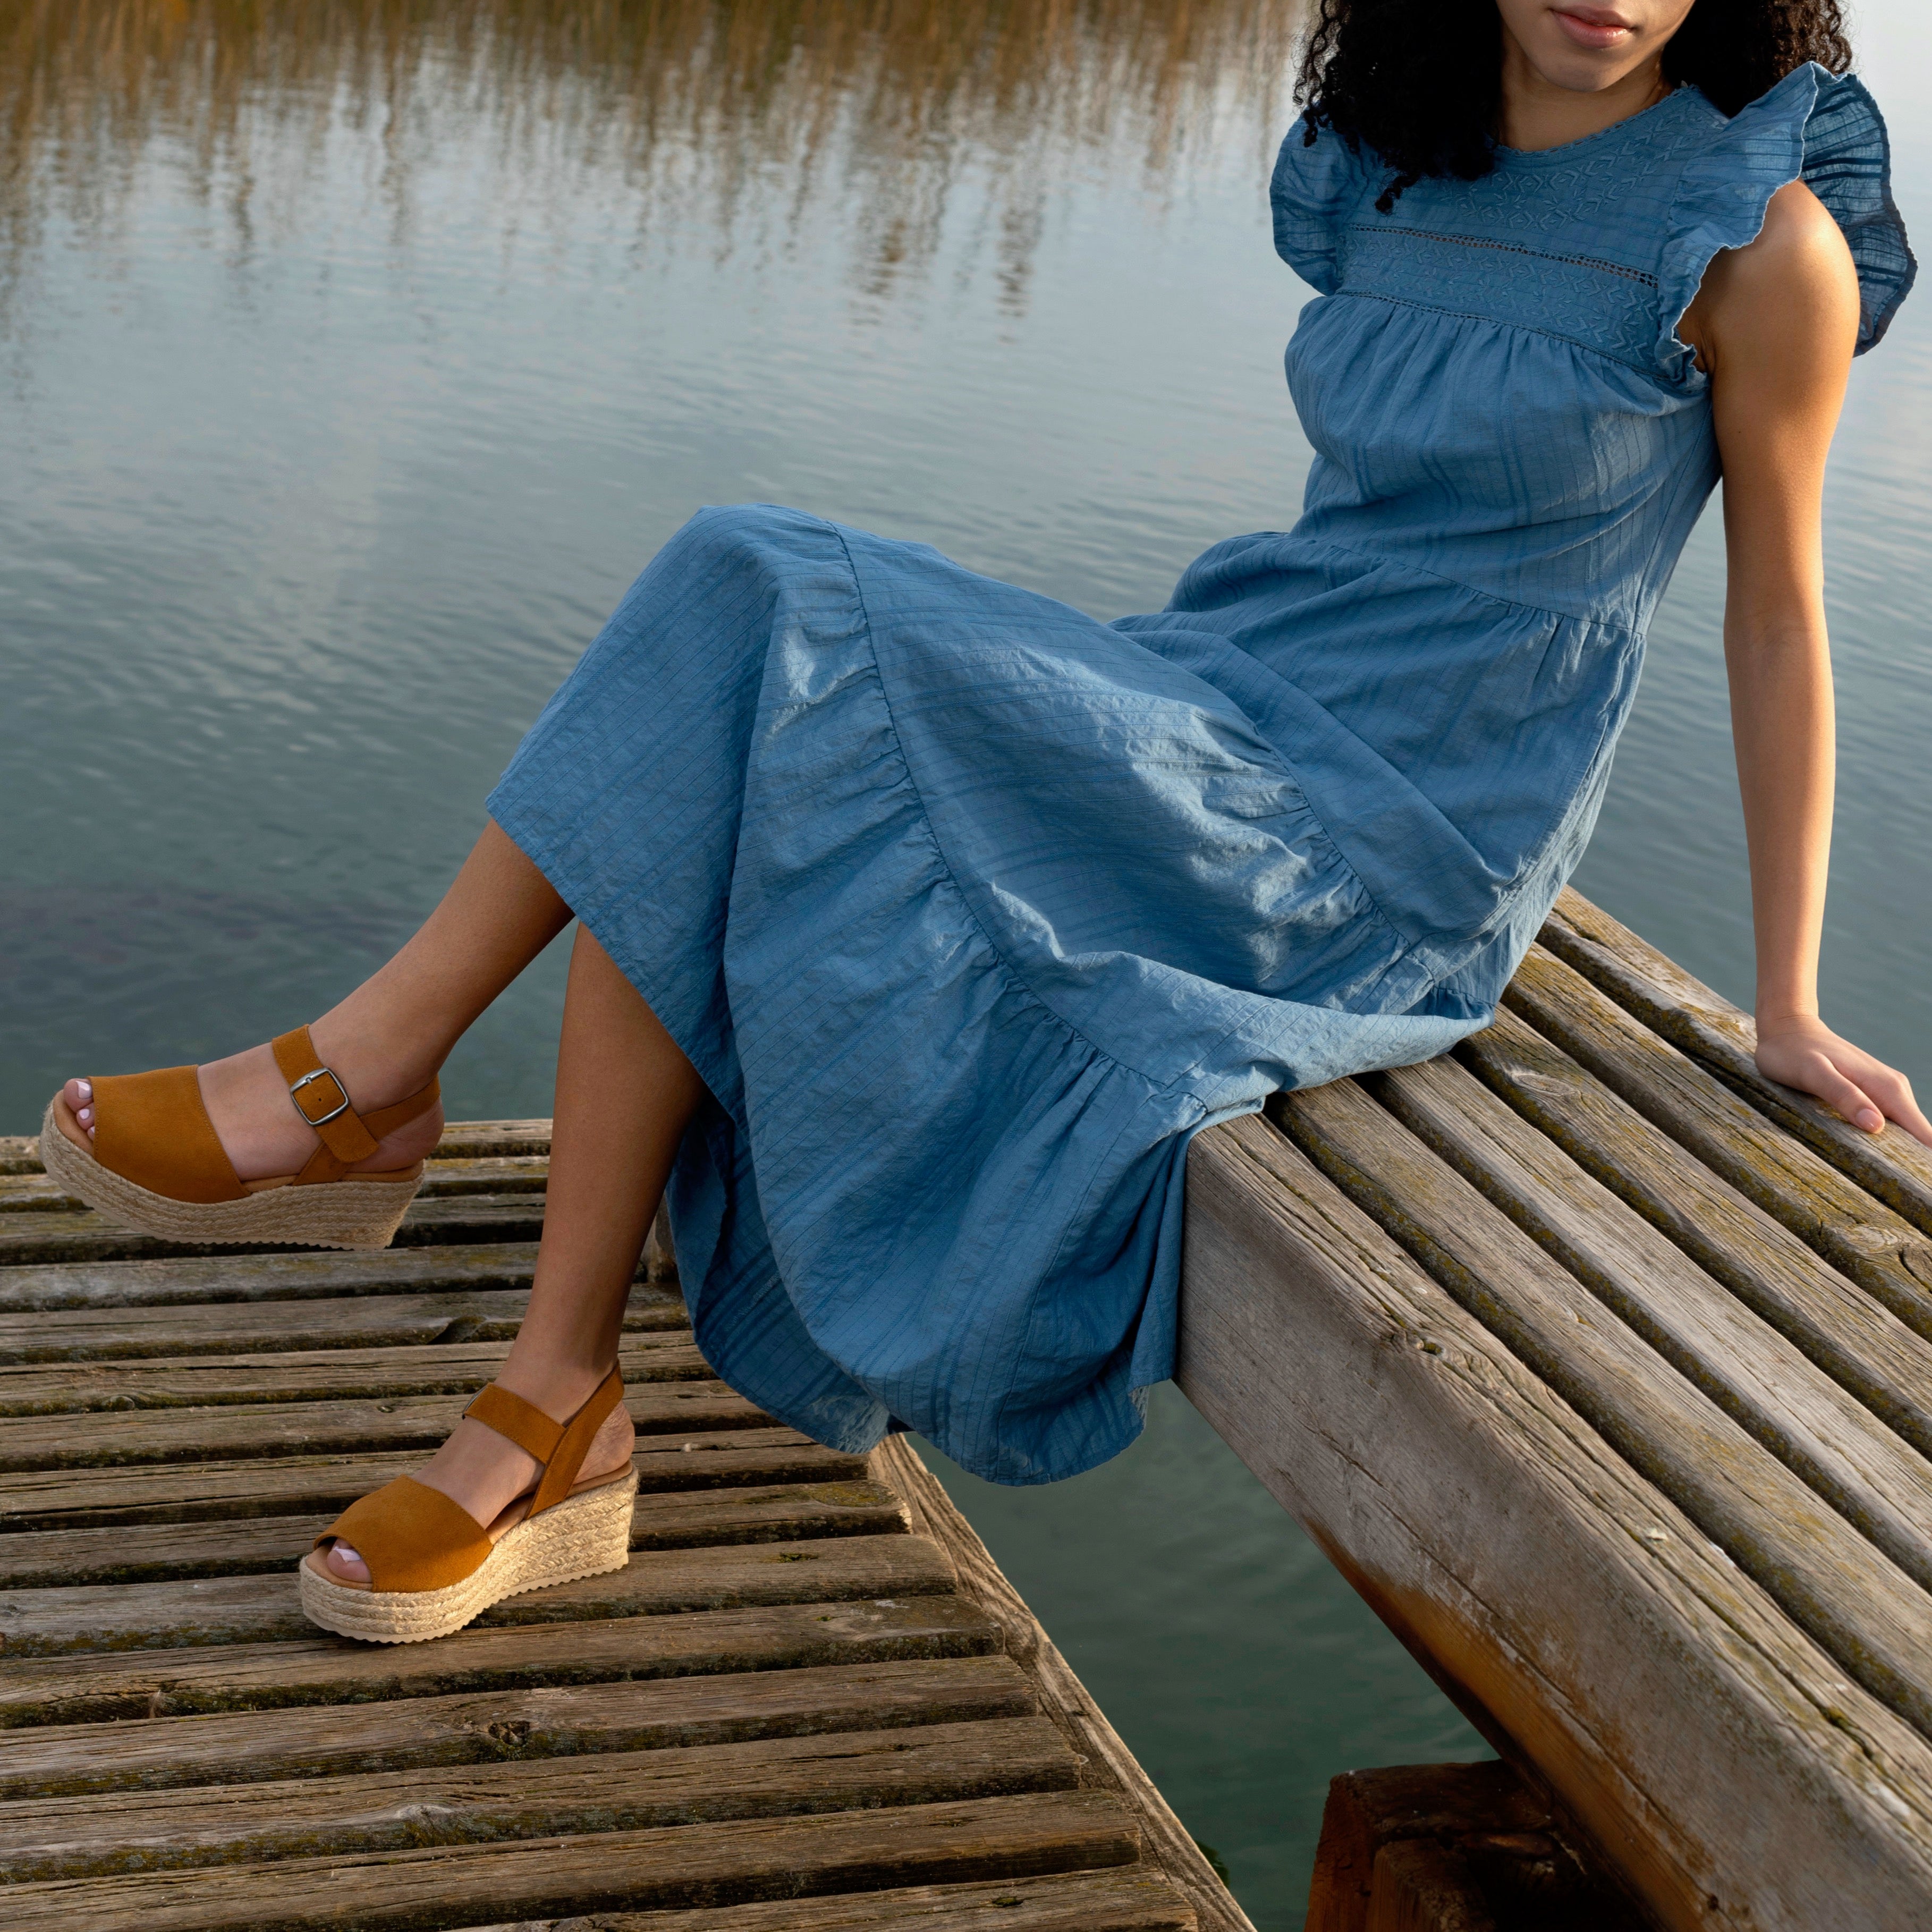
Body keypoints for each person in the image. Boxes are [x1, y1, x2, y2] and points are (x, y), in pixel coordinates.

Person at [39, 0, 1925, 1643]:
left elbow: (1773, 615)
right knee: (731, 699)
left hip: (1389, 837)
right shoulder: (1398, 156)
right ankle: (550, 1390)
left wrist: (1781, 998)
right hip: (1222, 688)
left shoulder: (1752, 241)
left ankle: (375, 1093)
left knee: (745, 578)